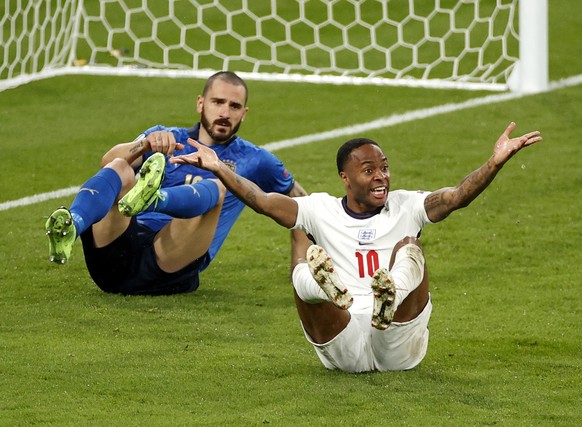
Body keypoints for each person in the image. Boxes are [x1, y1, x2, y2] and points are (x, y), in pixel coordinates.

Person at [169, 122, 542, 372]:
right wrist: (220, 168)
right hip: (343, 333)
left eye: (384, 167)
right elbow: (265, 202)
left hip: (398, 337)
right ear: (346, 179)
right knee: (303, 273)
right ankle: (325, 284)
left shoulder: (407, 204)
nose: (381, 176)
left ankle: (388, 292)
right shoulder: (320, 210)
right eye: (369, 170)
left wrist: (493, 164)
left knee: (409, 246)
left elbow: (457, 196)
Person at [45, 71, 307, 296]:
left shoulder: (256, 159)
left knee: (217, 186)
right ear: (200, 103)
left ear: (244, 113)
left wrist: (300, 266)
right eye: (217, 102)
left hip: (170, 262)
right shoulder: (167, 136)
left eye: (234, 106)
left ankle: (155, 199)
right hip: (115, 252)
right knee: (121, 167)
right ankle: (73, 223)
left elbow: (301, 203)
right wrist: (144, 145)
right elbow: (107, 162)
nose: (225, 113)